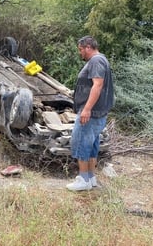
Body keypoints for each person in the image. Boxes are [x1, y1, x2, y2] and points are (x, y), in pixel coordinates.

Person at [66, 36, 114, 191]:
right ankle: (91, 178)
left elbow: (97, 85)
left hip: (91, 113)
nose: (80, 53)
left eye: (80, 50)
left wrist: (86, 109)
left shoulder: (95, 61)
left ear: (88, 47)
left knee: (81, 143)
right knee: (92, 144)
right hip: (98, 112)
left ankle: (83, 180)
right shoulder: (102, 60)